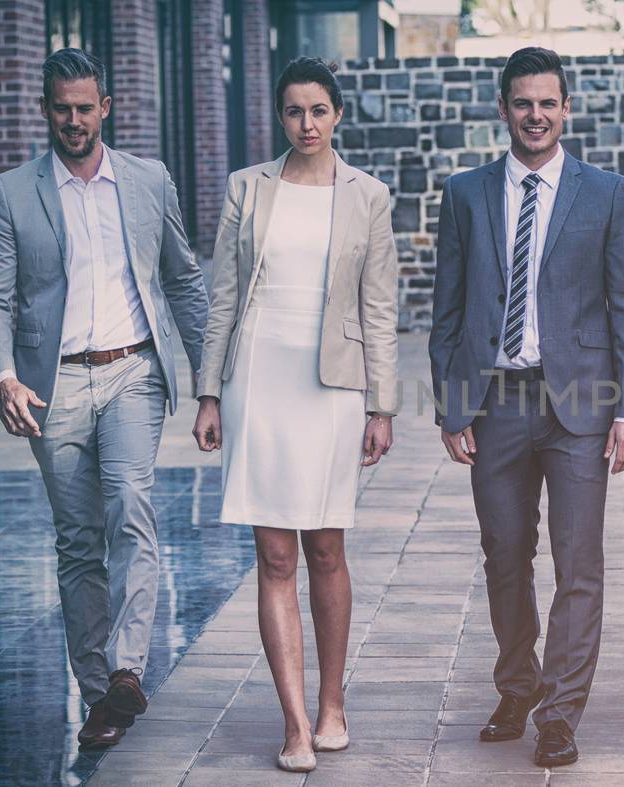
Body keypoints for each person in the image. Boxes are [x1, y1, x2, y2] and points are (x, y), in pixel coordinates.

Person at [0, 48, 209, 749]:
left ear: (106, 107)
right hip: (54, 386)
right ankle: (100, 691)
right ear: (45, 110)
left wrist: (209, 386)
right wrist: (4, 375)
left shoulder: (146, 180)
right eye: (62, 108)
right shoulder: (12, 193)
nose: (75, 120)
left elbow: (185, 281)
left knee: (130, 507)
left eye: (86, 107)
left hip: (133, 369)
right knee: (78, 542)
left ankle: (129, 666)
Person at [428, 46, 624, 768]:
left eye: (547, 102)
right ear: (504, 108)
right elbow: (448, 307)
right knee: (504, 554)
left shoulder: (607, 193)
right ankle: (518, 684)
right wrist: (451, 403)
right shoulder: (465, 193)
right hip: (495, 403)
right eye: (522, 102)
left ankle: (559, 712)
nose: (535, 115)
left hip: (580, 408)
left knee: (579, 561)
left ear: (566, 109)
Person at [191, 56, 398, 773]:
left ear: (338, 113)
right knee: (274, 552)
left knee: (326, 548)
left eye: (318, 110)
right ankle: (295, 722)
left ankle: (333, 701)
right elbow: (222, 295)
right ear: (278, 116)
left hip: (334, 386)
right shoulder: (247, 188)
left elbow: (379, 306)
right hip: (259, 378)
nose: (305, 123)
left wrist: (383, 404)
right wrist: (210, 390)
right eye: (292, 111)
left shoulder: (368, 195)